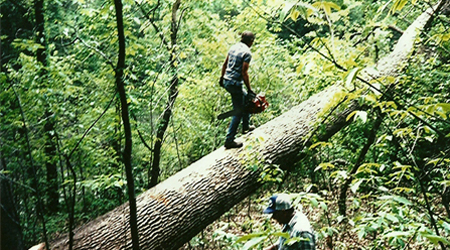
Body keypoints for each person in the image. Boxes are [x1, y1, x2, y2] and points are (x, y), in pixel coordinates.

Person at [220, 31, 256, 149]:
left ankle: (246, 127)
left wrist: (221, 78)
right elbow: (244, 73)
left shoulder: (234, 47)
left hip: (227, 81)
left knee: (245, 98)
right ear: (250, 42)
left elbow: (225, 64)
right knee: (238, 111)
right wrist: (250, 89)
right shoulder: (247, 53)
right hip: (235, 83)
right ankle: (229, 140)